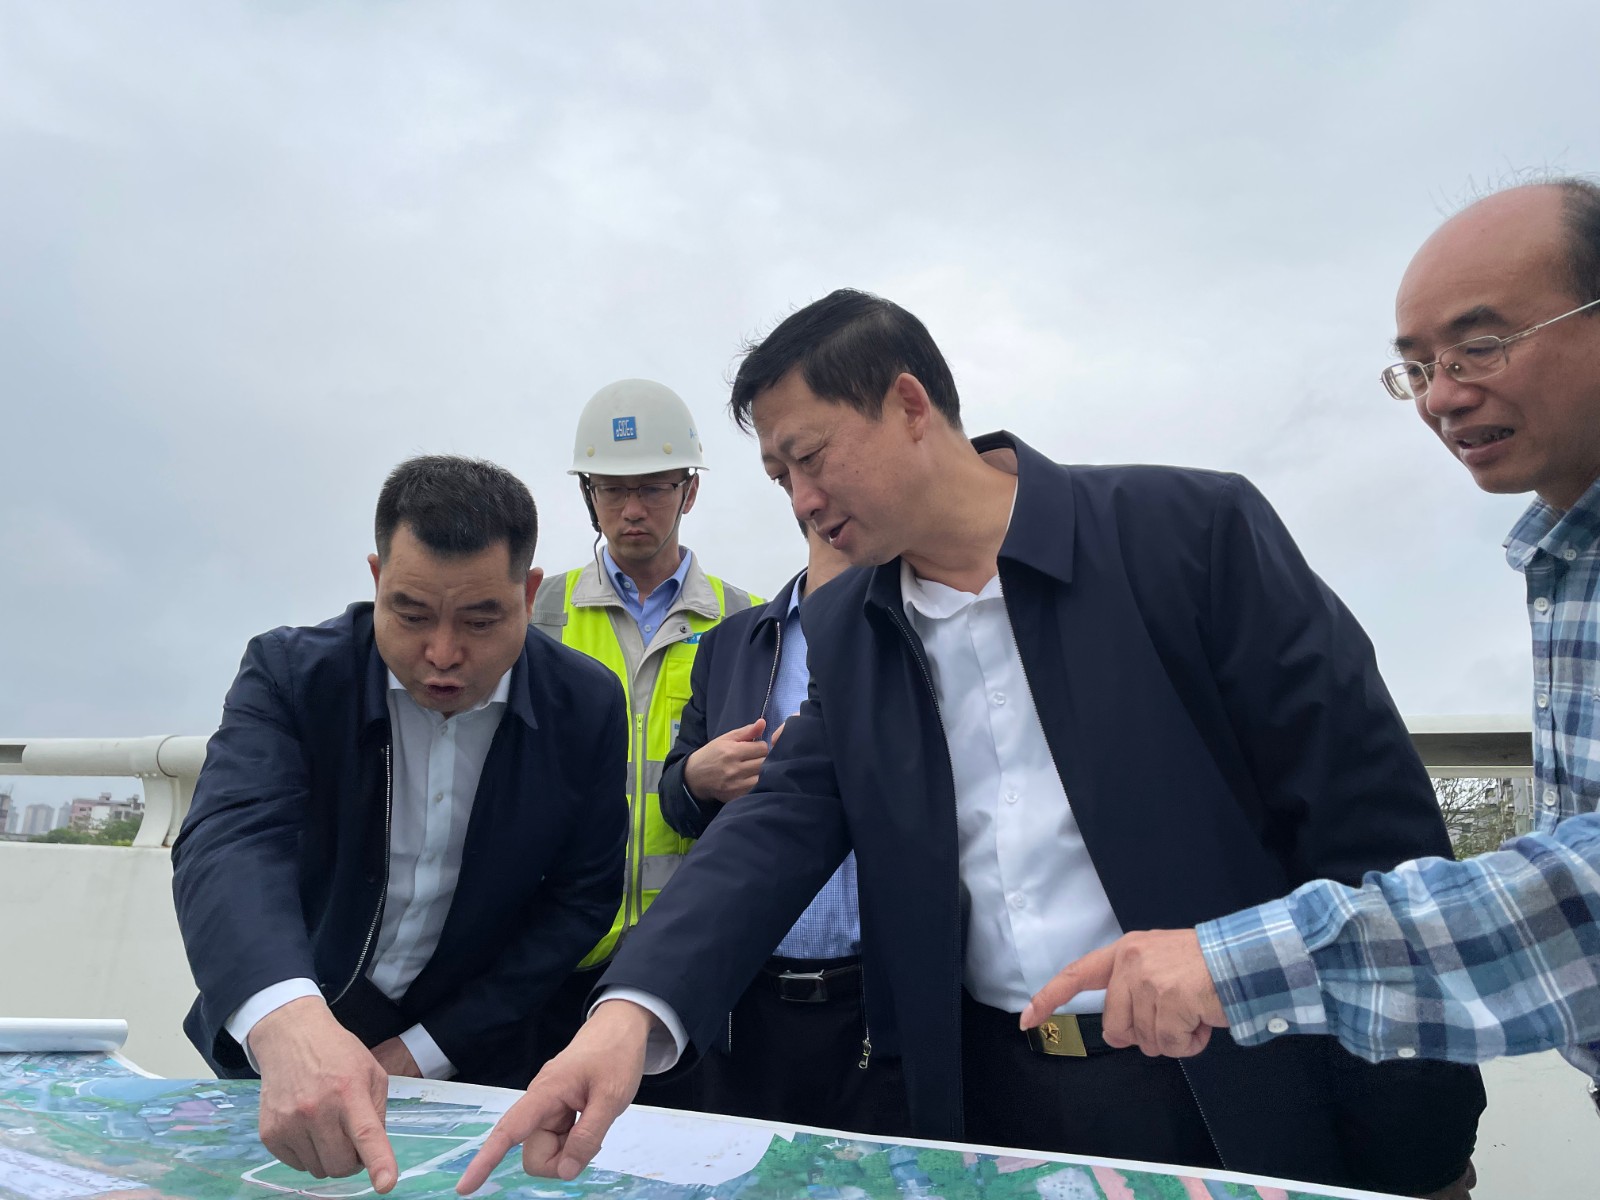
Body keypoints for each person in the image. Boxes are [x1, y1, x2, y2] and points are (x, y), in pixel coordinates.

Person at [460, 291, 1482, 1199]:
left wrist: (1418, 1139)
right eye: (778, 476)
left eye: (810, 458)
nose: (801, 501)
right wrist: (627, 1017)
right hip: (988, 1104)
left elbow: (1365, 828)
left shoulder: (1189, 536)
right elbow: (776, 824)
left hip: (1228, 1084)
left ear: (910, 406)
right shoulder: (852, 627)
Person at [1021, 179, 1600, 1122]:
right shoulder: (1563, 551)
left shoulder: (1203, 528)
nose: (1442, 396)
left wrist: (1230, 964)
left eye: (1483, 345)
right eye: (1417, 367)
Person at [172, 455, 627, 1193]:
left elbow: (580, 900)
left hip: (470, 1059)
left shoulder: (588, 705)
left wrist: (423, 1050)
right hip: (286, 1032)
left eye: (481, 620)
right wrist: (289, 1022)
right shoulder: (291, 674)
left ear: (529, 593)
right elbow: (231, 844)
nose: (443, 654)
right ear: (377, 577)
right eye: (411, 615)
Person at [529, 379, 760, 1099]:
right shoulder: (537, 614)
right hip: (550, 951)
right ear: (587, 493)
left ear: (689, 491)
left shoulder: (746, 623)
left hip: (686, 956)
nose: (632, 509)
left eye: (654, 488)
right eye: (611, 489)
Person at [657, 519, 912, 1135]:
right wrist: (695, 776)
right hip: (745, 999)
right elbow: (677, 804)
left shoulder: (914, 628)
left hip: (879, 1000)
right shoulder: (730, 643)